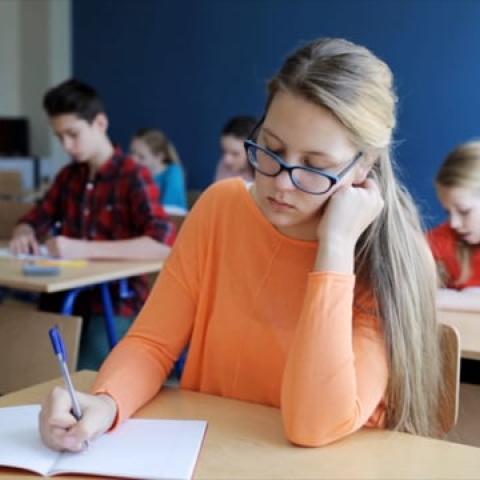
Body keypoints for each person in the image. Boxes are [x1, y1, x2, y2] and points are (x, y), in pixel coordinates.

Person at [39, 38, 442, 452]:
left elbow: (312, 426)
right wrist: (106, 403)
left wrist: (336, 247)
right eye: (272, 149)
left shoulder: (392, 259)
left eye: (316, 167)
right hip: (213, 456)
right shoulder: (221, 208)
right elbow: (153, 343)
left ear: (365, 164)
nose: (281, 183)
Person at [9, 79, 176, 365]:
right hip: (65, 296)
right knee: (31, 361)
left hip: (116, 303)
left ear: (100, 123)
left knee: (84, 375)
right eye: (59, 137)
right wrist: (24, 230)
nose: (67, 145)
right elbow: (36, 218)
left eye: (73, 134)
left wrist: (82, 248)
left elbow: (162, 246)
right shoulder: (69, 176)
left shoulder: (133, 175)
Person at [427, 140, 480, 384]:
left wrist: (448, 297)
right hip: (457, 365)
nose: (455, 223)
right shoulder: (448, 236)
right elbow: (414, 274)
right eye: (449, 212)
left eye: (464, 210)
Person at [130, 128, 188, 213]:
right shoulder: (136, 175)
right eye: (132, 153)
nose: (133, 160)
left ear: (159, 157)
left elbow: (168, 210)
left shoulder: (174, 173)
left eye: (141, 157)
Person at [214, 115, 257, 183]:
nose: (227, 160)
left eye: (235, 154)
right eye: (224, 151)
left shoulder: (264, 175)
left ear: (254, 152)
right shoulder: (223, 166)